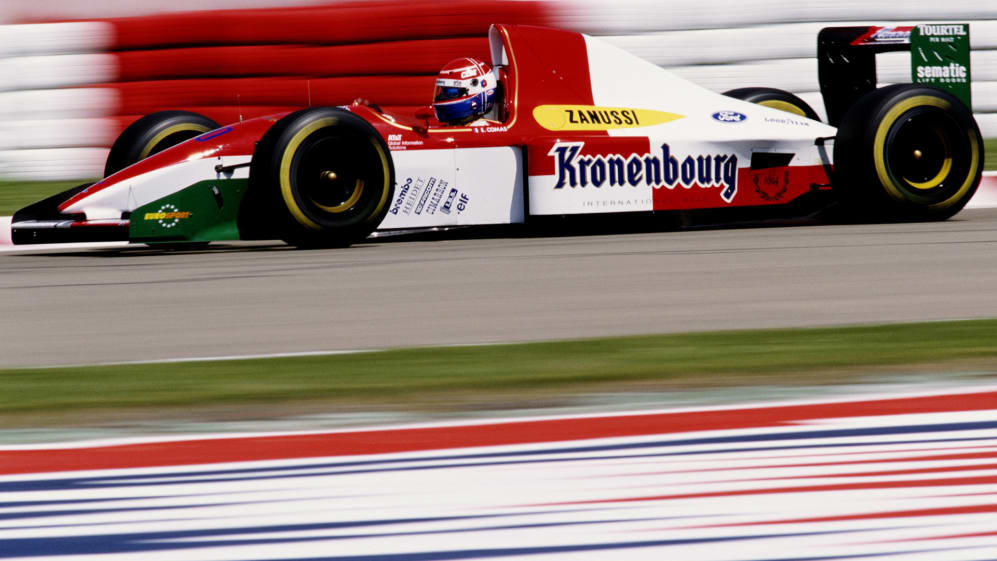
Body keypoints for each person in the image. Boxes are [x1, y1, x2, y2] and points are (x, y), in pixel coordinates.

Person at [432, 57, 500, 126]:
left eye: (451, 92)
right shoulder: (454, 127)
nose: (442, 96)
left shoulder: (481, 132)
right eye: (442, 92)